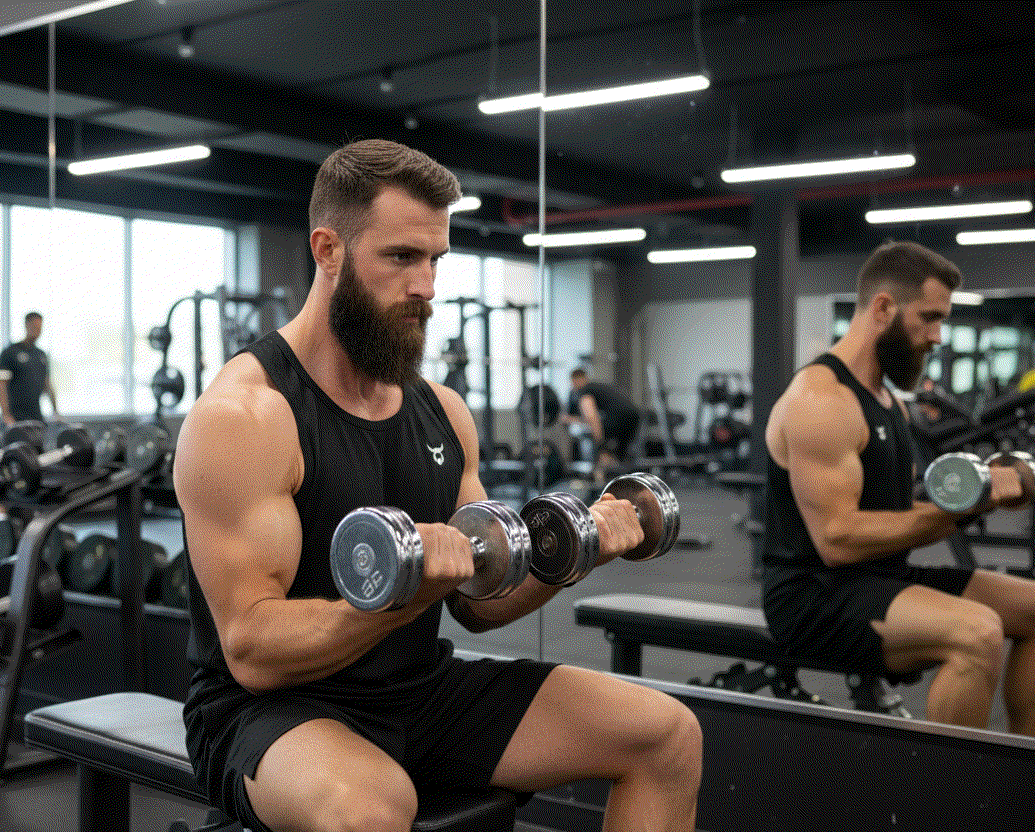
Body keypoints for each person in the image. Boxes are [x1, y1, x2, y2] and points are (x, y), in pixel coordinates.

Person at [174, 139, 701, 832]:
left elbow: (483, 603)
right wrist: (399, 601)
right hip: (271, 710)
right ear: (328, 250)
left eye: (434, 260)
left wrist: (577, 550)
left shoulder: (443, 412)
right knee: (371, 808)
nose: (424, 285)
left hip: (417, 688)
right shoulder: (245, 417)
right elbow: (251, 649)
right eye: (399, 257)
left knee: (665, 733)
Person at [761, 240, 1035, 737]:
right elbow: (838, 540)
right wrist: (976, 500)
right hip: (813, 598)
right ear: (883, 308)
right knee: (976, 632)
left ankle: (1022, 771)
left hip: (879, 579)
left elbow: (902, 513)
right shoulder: (820, 400)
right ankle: (949, 799)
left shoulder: (889, 400)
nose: (939, 335)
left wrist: (984, 484)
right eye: (930, 317)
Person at [563, 367, 642, 480]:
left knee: (602, 451)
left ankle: (601, 482)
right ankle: (620, 481)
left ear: (574, 380)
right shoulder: (598, 387)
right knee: (620, 456)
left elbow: (591, 416)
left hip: (619, 419)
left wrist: (599, 442)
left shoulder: (585, 390)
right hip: (633, 416)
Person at [0, 311, 57, 425]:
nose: (37, 331)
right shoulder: (9, 352)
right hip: (15, 417)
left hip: (36, 417)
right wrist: (6, 415)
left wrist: (55, 410)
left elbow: (47, 384)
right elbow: (0, 386)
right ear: (26, 325)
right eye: (34, 327)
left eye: (39, 328)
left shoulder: (41, 355)